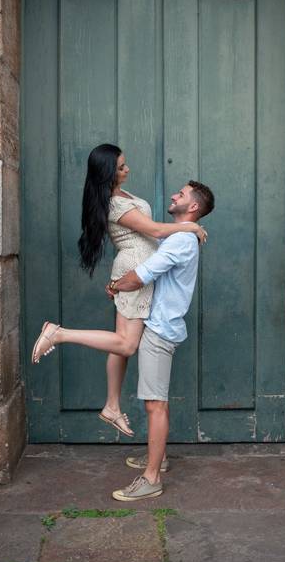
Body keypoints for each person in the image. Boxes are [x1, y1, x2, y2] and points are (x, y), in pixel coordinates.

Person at [34, 178, 215, 501]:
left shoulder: (179, 241)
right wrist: (121, 284)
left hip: (159, 330)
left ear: (193, 207)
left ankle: (151, 478)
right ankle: (155, 458)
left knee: (155, 405)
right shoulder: (180, 238)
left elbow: (142, 276)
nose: (174, 195)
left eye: (181, 194)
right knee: (152, 400)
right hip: (158, 323)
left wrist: (119, 285)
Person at [31, 143, 206, 439]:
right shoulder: (114, 204)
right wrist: (190, 228)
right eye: (122, 167)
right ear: (109, 173)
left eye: (125, 164)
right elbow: (153, 231)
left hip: (133, 270)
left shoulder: (123, 196)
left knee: (119, 345)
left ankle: (112, 405)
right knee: (126, 345)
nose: (128, 170)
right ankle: (58, 334)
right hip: (136, 270)